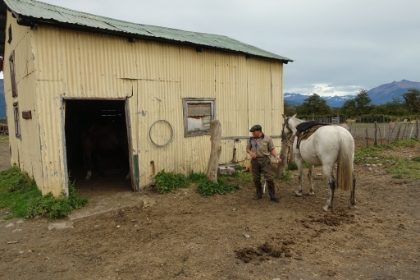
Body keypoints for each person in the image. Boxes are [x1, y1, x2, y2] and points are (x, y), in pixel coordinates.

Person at [246, 124, 282, 202]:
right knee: (256, 178)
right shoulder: (251, 139)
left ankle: (272, 195)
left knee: (269, 178)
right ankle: (259, 194)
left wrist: (276, 156)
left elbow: (272, 149)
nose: (252, 133)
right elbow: (248, 148)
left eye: (253, 132)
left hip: (265, 160)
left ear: (259, 131)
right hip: (255, 161)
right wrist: (250, 153)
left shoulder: (268, 139)